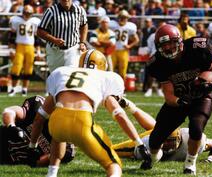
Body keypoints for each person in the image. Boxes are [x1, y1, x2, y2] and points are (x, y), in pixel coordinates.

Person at [29, 49, 151, 177]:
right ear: (102, 66)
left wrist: (32, 147)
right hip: (81, 122)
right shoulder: (105, 77)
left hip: (56, 122)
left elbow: (39, 118)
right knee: (113, 164)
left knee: (58, 136)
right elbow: (119, 114)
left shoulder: (62, 73)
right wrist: (139, 143)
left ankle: (51, 173)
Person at [142, 24, 212, 175]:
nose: (169, 47)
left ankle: (190, 163)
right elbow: (169, 95)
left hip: (202, 95)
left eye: (171, 42)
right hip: (180, 98)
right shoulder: (158, 63)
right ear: (158, 47)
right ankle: (155, 157)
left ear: (180, 41)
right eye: (165, 44)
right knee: (155, 139)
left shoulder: (198, 49)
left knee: (196, 128)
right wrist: (179, 102)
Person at [112, 97, 212, 163]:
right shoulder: (147, 146)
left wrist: (210, 159)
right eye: (166, 142)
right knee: (112, 150)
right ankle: (130, 106)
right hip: (152, 139)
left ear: (180, 138)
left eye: (170, 141)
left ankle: (130, 106)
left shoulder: (191, 141)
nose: (169, 144)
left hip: (162, 134)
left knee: (156, 127)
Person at [0, 95, 75, 166]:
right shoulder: (38, 106)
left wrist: (35, 159)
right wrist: (12, 127)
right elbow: (9, 111)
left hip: (11, 159)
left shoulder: (67, 150)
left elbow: (38, 162)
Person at [36, 0, 88, 72]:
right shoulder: (51, 11)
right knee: (56, 76)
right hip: (55, 50)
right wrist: (54, 40)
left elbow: (84, 26)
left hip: (73, 49)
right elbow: (40, 31)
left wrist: (82, 42)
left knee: (70, 75)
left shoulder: (80, 10)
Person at [8, 5, 41, 97]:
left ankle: (24, 89)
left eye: (29, 13)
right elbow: (12, 36)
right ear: (23, 12)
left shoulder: (35, 21)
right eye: (26, 13)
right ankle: (13, 88)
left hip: (30, 47)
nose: (27, 15)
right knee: (16, 68)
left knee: (28, 69)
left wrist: (38, 51)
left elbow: (36, 37)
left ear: (32, 13)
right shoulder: (16, 20)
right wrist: (11, 48)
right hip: (19, 46)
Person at [109, 10, 139, 80]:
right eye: (121, 17)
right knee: (110, 70)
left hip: (123, 51)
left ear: (127, 19)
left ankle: (122, 89)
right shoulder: (112, 24)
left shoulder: (130, 26)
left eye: (124, 17)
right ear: (118, 18)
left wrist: (129, 46)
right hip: (112, 50)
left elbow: (137, 40)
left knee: (122, 71)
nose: (122, 19)